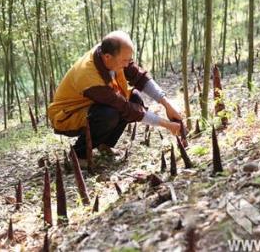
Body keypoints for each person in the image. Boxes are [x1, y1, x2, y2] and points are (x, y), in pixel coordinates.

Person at [48, 30, 182, 164]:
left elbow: (139, 77)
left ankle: (105, 145)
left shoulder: (112, 55)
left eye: (129, 60)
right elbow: (123, 107)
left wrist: (167, 105)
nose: (127, 64)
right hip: (67, 115)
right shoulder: (88, 77)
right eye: (125, 60)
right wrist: (167, 125)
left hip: (93, 105)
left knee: (134, 98)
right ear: (107, 57)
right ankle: (79, 154)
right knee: (109, 114)